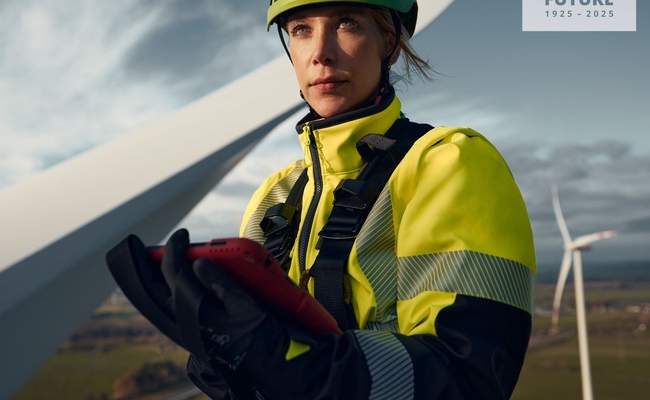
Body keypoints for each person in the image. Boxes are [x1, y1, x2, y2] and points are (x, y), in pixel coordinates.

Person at [118, 1, 536, 398]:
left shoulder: (447, 162)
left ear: (388, 44)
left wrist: (294, 362)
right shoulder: (274, 195)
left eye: (347, 22)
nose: (320, 53)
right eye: (301, 29)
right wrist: (219, 357)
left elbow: (467, 378)